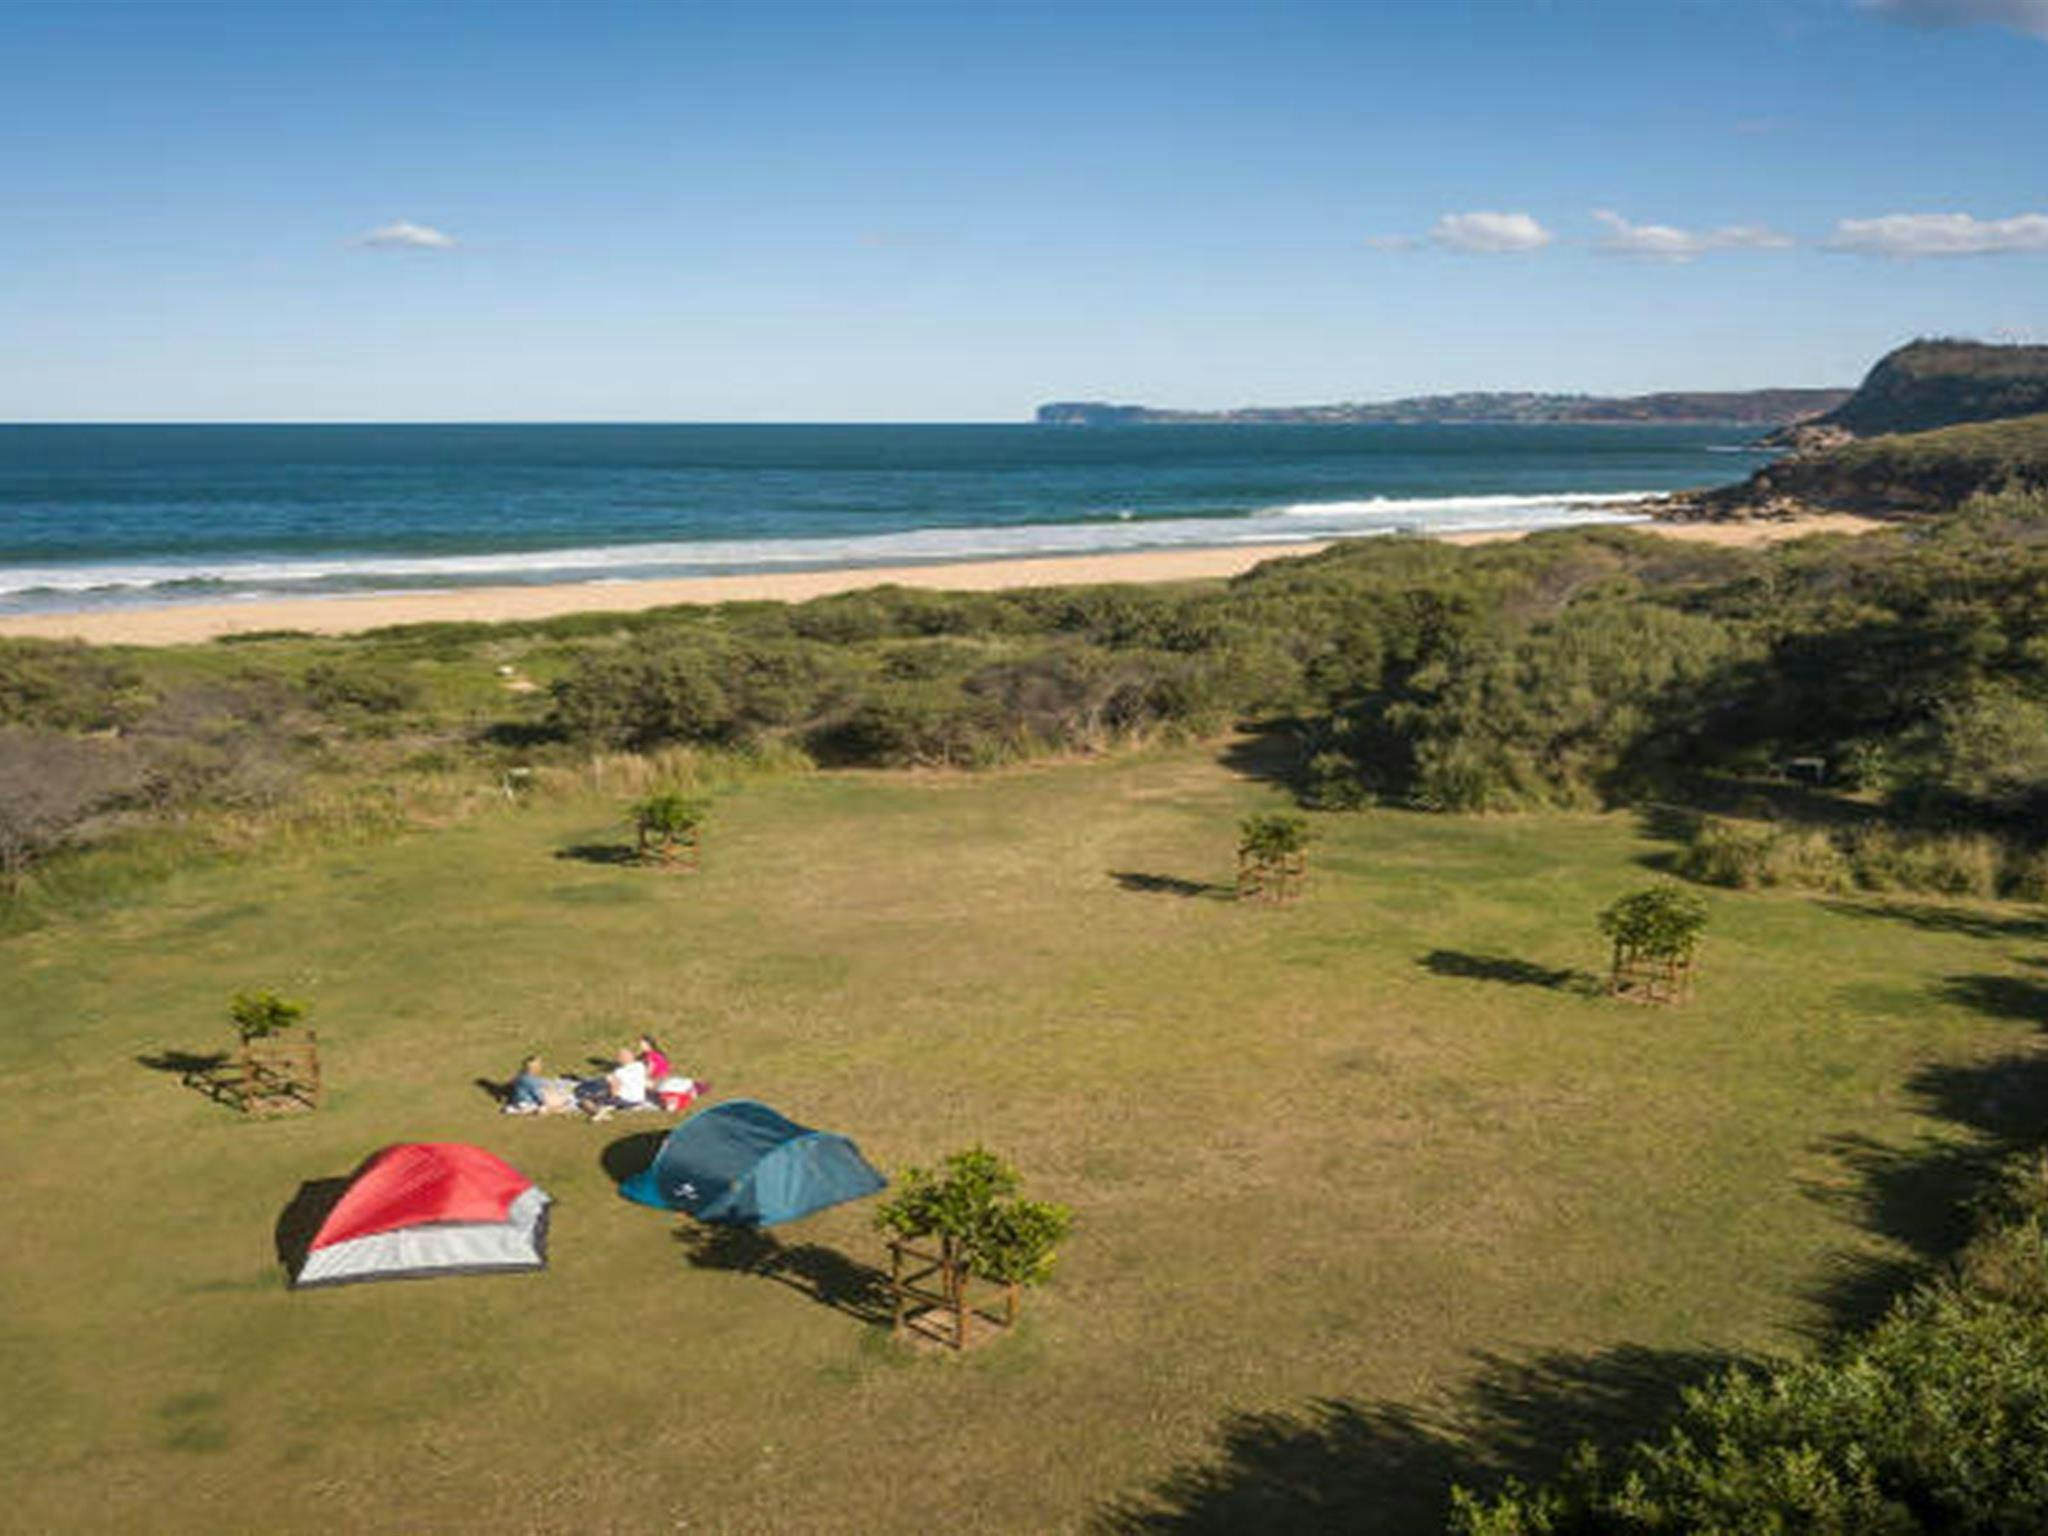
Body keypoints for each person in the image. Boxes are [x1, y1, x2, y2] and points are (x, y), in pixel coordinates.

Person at [579, 1046, 650, 1120]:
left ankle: (598, 1113)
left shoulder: (619, 1072)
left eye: (618, 1057)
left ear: (621, 1059)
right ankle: (604, 1111)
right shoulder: (641, 1066)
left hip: (625, 1100)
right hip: (640, 1099)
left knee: (585, 1101)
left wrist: (611, 1098)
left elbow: (614, 1089)